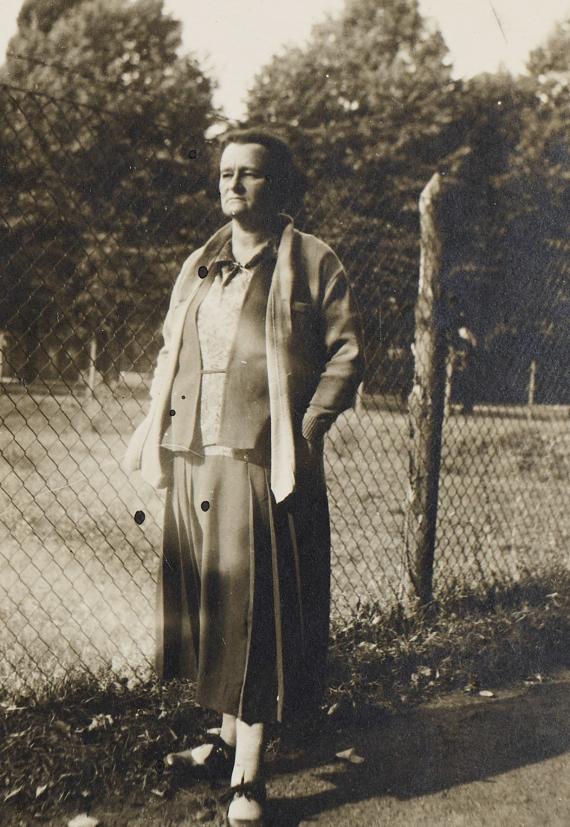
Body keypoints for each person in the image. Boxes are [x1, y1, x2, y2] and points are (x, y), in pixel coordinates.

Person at [124, 128, 364, 826]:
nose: (235, 184)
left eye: (251, 174)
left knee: (256, 613)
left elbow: (346, 353)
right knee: (213, 605)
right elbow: (174, 344)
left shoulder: (311, 260)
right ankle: (225, 738)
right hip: (195, 453)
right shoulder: (200, 262)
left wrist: (311, 426)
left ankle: (250, 778)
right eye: (227, 172)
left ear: (277, 185)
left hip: (263, 461)